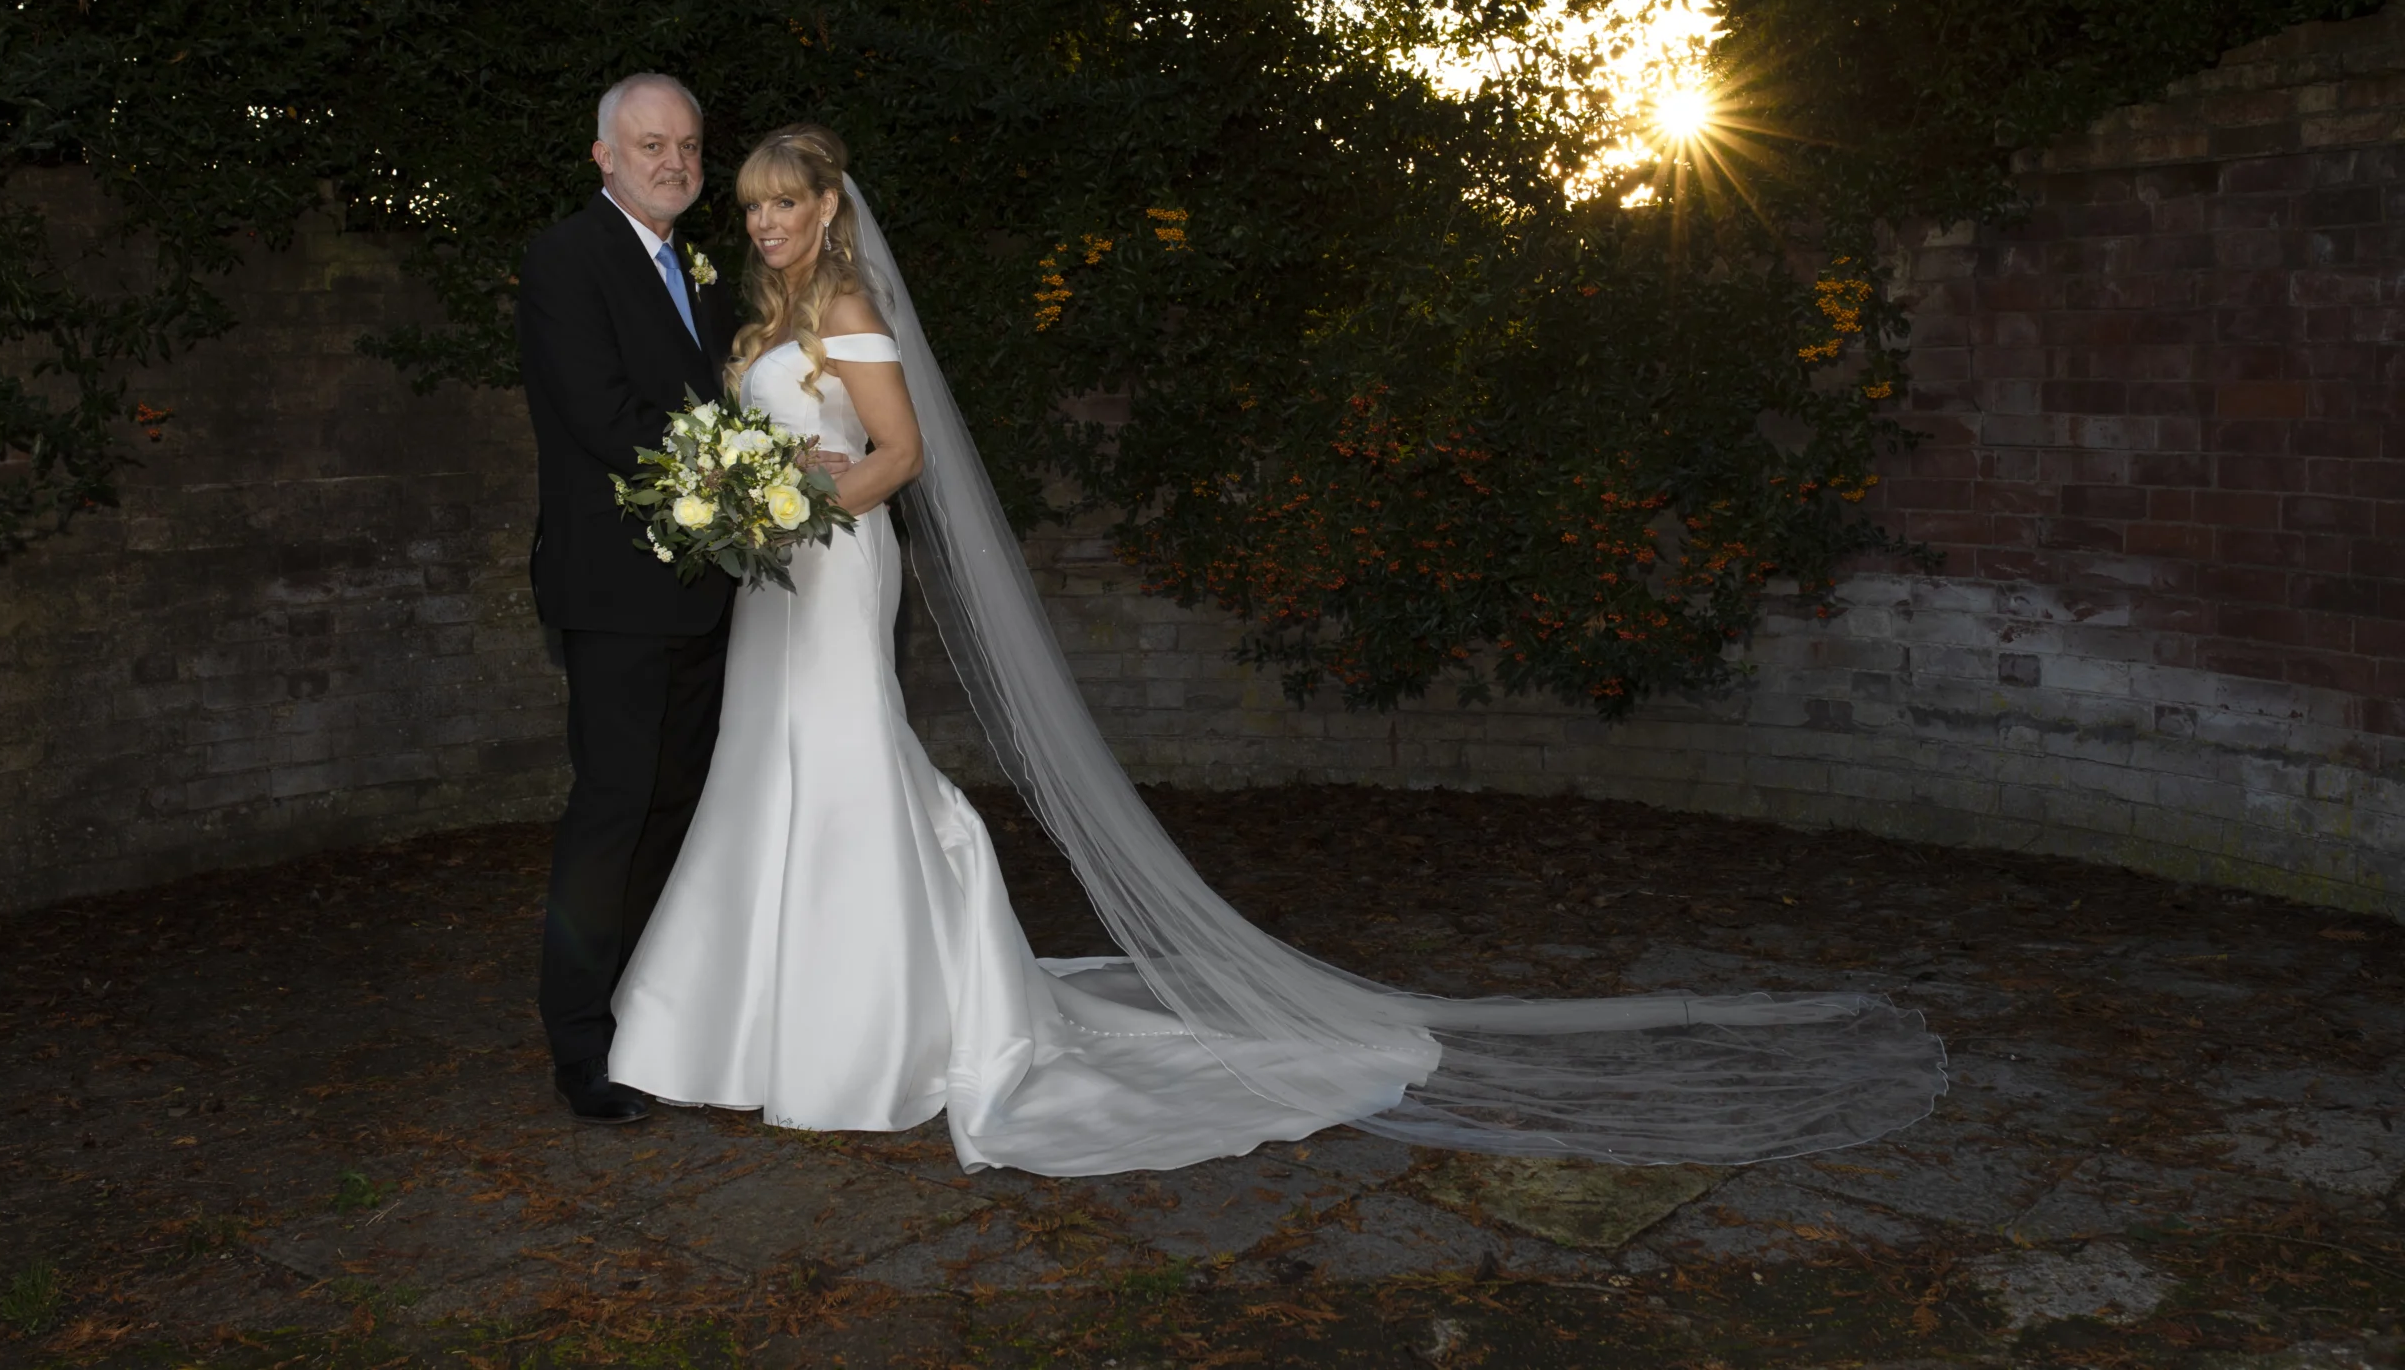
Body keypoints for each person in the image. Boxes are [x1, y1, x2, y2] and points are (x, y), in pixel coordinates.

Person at [607, 124, 1950, 1176]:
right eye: (755, 207)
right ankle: (746, 1022)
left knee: (844, 764)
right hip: (774, 582)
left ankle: (870, 1029)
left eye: (787, 203)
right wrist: (745, 506)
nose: (767, 222)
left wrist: (797, 506)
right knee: (760, 762)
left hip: (833, 567)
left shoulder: (849, 310)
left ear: (828, 209)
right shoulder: (760, 318)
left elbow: (895, 456)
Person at [516, 74, 740, 1125]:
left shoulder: (699, 268)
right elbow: (605, 416)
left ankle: (643, 1010)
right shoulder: (566, 259)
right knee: (613, 805)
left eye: (688, 145)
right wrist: (749, 464)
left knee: (673, 801)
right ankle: (580, 1043)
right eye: (651, 144)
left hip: (704, 586)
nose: (674, 162)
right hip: (612, 586)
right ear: (604, 155)